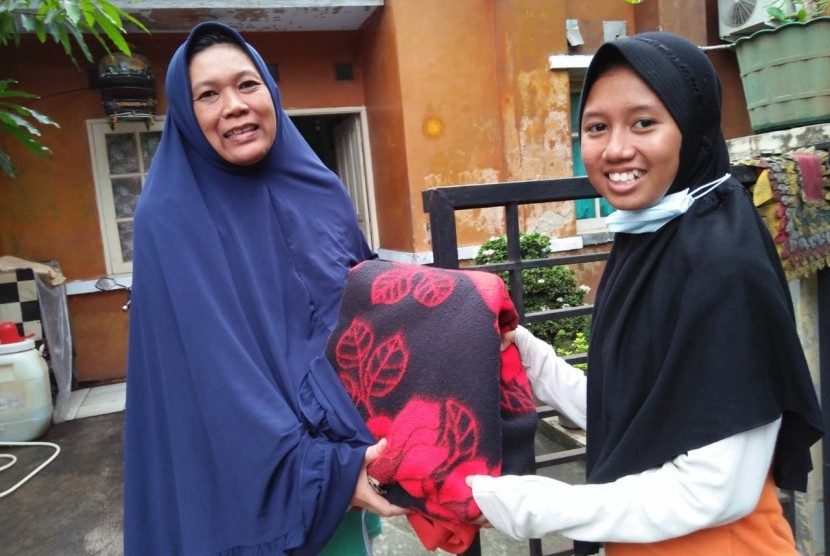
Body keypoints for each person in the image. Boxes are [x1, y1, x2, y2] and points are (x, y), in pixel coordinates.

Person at [467, 32, 824, 555]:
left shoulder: (723, 263)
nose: (615, 149)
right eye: (595, 127)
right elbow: (639, 413)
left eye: (644, 123)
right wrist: (530, 355)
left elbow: (715, 491)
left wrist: (544, 506)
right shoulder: (654, 238)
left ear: (692, 128)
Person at [123, 22, 405, 555]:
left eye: (247, 85)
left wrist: (464, 315)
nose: (233, 105)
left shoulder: (316, 187)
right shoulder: (169, 219)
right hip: (257, 481)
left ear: (271, 93)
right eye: (208, 94)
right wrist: (321, 473)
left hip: (352, 457)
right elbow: (213, 377)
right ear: (186, 114)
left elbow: (366, 300)